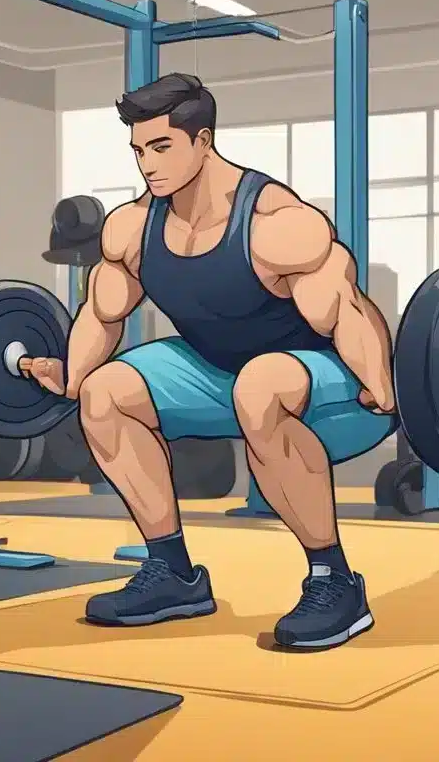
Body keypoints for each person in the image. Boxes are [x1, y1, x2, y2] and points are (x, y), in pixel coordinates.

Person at [22, 73, 397, 650]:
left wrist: (382, 386)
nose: (147, 165)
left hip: (325, 380)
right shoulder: (133, 228)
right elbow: (102, 314)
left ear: (204, 140)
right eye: (139, 151)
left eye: (162, 147)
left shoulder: (276, 226)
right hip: (217, 373)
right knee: (105, 393)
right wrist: (71, 379)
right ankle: (173, 573)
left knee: (260, 383)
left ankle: (336, 581)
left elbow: (345, 309)